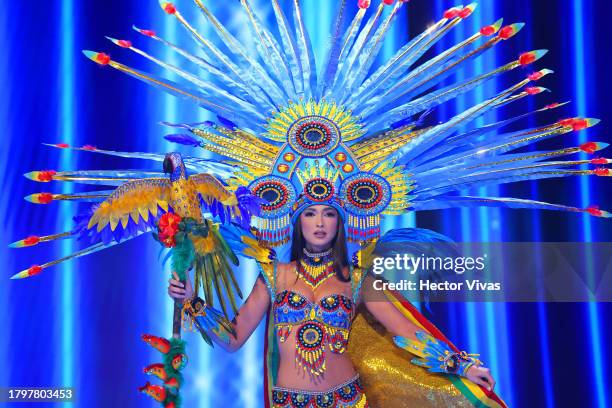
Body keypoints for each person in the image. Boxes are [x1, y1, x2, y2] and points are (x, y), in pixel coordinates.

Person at [168, 204, 495, 407]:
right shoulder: (273, 276)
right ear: (297, 222)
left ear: (340, 223)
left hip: (347, 402)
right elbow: (233, 339)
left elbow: (406, 330)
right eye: (310, 213)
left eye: (328, 213)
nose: (320, 222)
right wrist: (193, 302)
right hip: (289, 404)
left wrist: (461, 365)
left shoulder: (357, 279)